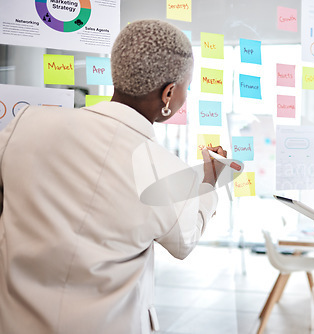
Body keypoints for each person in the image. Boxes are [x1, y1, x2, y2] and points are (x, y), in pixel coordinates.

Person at [0, 20, 227, 334]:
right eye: (186, 87)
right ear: (169, 93)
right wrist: (209, 181)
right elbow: (185, 241)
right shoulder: (161, 169)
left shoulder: (27, 124)